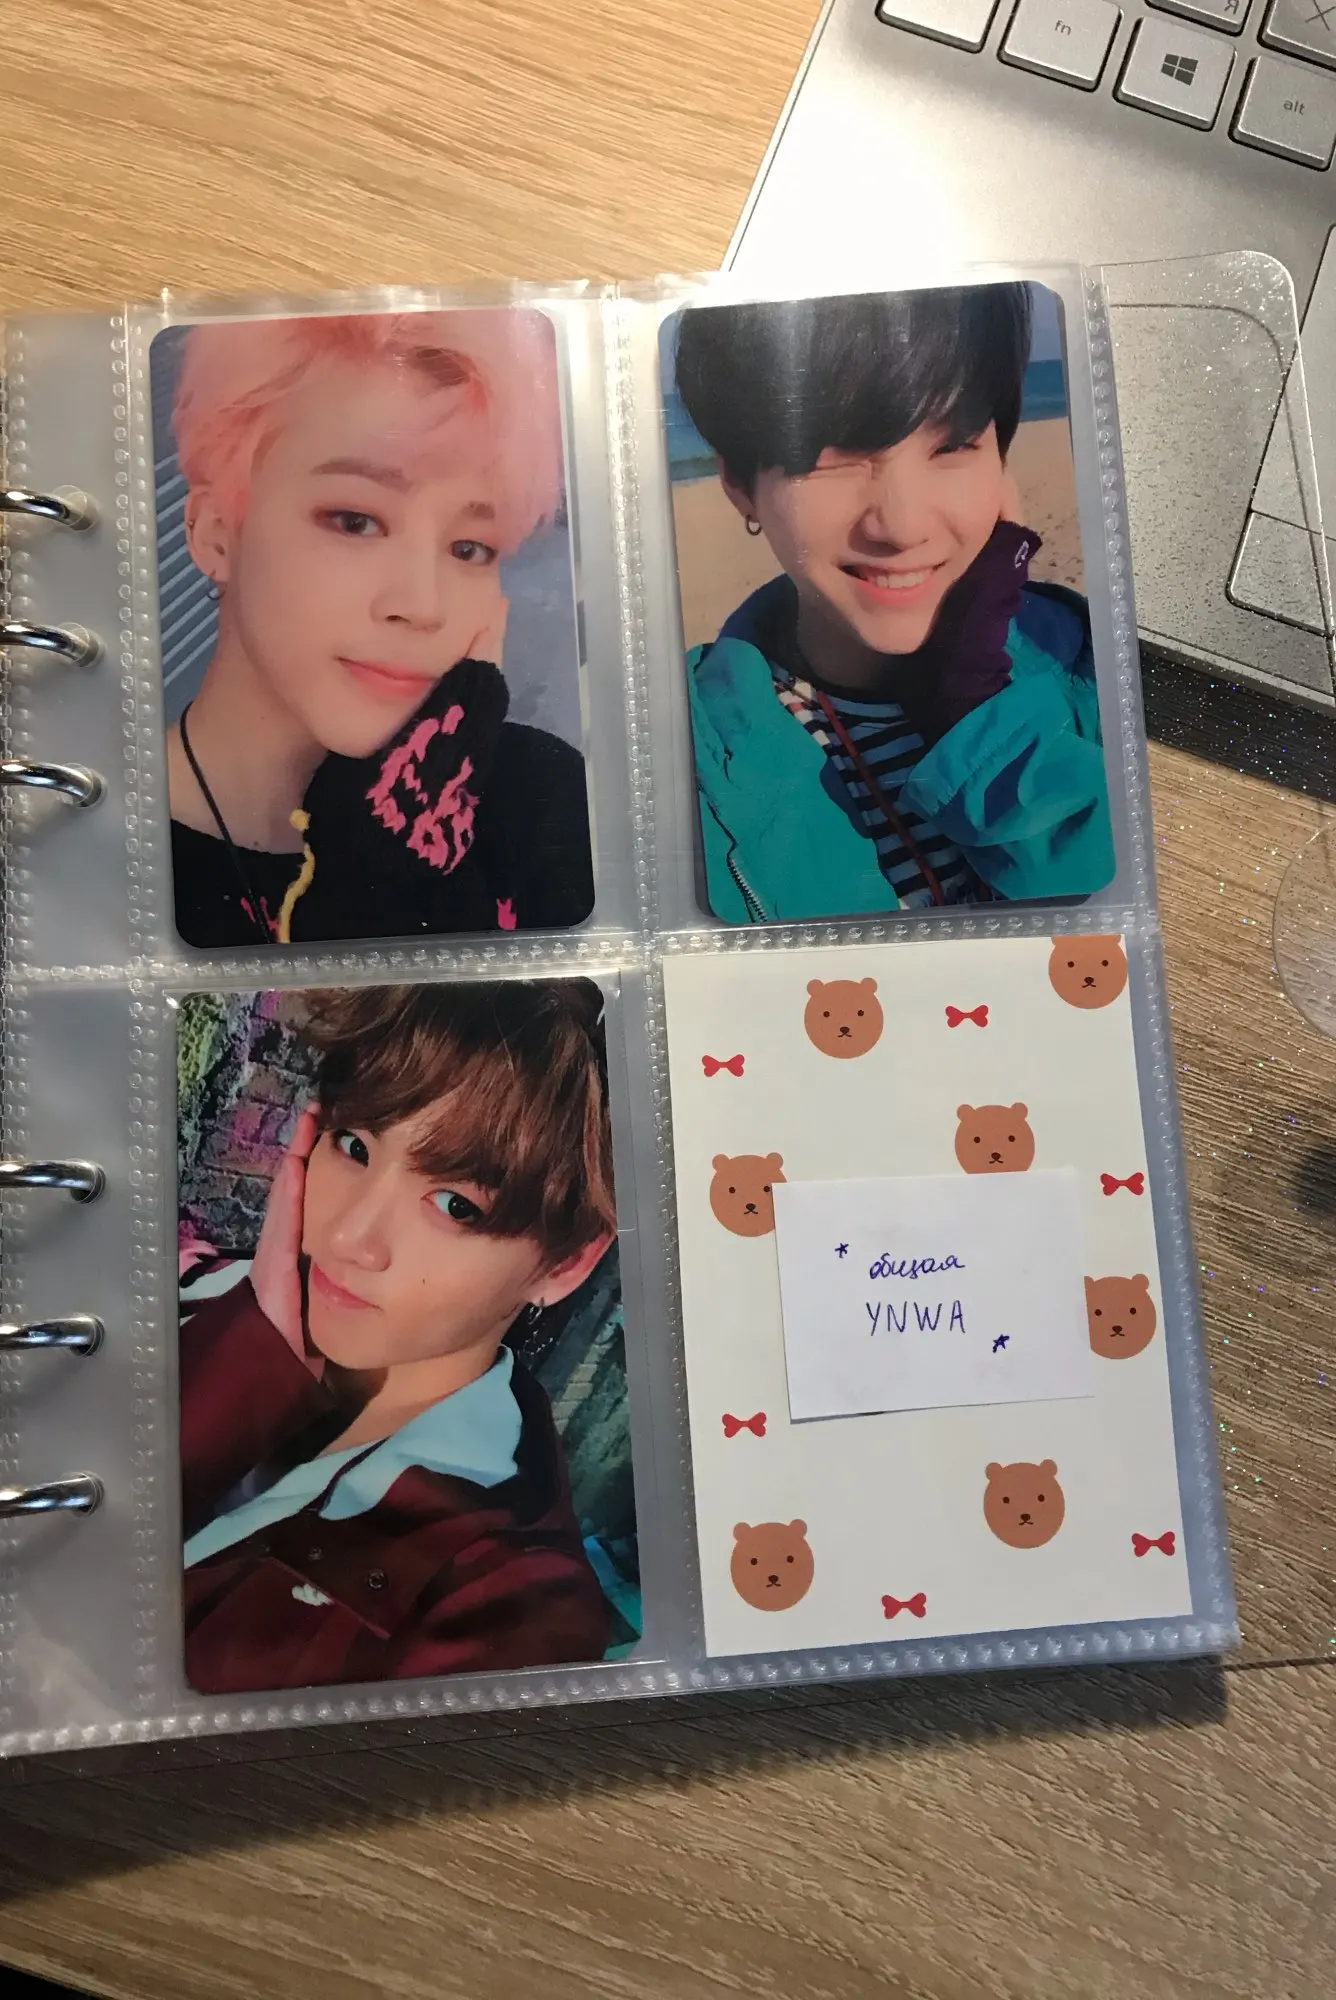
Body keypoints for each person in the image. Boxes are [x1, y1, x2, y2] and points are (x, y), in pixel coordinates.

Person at [179, 981, 619, 1695]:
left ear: (564, 1264)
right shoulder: (185, 1294)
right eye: (354, 1145)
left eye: (455, 1205)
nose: (350, 1238)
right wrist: (239, 1361)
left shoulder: (511, 1610)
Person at [672, 283, 1115, 920]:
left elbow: (1119, 933)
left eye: (954, 444)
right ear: (740, 483)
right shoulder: (676, 763)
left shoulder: (1101, 666)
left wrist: (978, 706)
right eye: (832, 455)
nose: (902, 527)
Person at [163, 310, 594, 946]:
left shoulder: (539, 799)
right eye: (355, 521)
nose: (423, 606)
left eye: (470, 547)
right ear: (216, 534)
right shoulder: (97, 847)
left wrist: (398, 880)